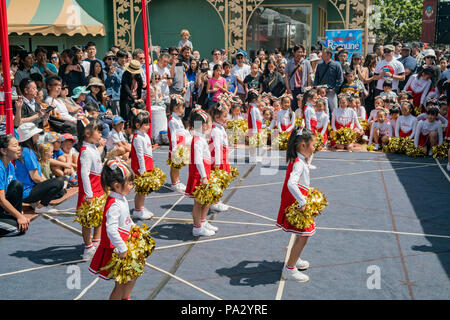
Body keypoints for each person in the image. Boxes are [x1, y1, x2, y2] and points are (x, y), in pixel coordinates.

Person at [89, 158, 138, 300]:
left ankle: (126, 298)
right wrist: (122, 248)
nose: (132, 185)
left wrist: (135, 228)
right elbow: (111, 229)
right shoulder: (114, 204)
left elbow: (126, 220)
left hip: (125, 243)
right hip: (116, 248)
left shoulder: (121, 198)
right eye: (129, 182)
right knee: (121, 282)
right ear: (116, 185)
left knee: (131, 276)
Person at [277, 126, 316, 282]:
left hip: (298, 200)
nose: (314, 148)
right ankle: (290, 269)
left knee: (300, 235)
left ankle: (295, 258)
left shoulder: (298, 159)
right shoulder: (299, 163)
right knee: (303, 236)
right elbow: (292, 184)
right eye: (313, 145)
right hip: (298, 203)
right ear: (303, 146)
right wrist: (302, 200)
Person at [14, 123, 65, 214]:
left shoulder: (27, 150)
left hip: (29, 189)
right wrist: (49, 184)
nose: (38, 135)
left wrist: (48, 184)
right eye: (35, 134)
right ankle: (40, 206)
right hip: (27, 192)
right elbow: (35, 177)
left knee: (60, 191)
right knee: (59, 182)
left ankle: (35, 202)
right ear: (29, 137)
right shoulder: (27, 152)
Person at [184, 108, 216, 237]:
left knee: (206, 200)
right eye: (209, 123)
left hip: (205, 173)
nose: (210, 125)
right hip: (199, 175)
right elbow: (198, 160)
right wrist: (203, 176)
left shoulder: (201, 138)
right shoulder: (197, 140)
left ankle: (203, 221)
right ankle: (197, 227)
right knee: (198, 202)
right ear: (202, 125)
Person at [76, 117, 104, 260]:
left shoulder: (92, 148)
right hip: (91, 191)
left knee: (98, 218)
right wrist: (88, 194)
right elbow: (84, 173)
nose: (100, 134)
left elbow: (97, 164)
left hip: (98, 189)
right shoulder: (86, 151)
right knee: (87, 221)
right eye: (98, 131)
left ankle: (96, 241)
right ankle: (88, 248)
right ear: (87, 133)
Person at [0, 134, 29, 237]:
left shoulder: (10, 166)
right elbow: (1, 199)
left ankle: (10, 219)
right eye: (15, 146)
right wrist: (19, 216)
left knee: (17, 185)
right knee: (17, 229)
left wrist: (20, 215)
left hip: (1, 211)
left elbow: (15, 191)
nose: (19, 148)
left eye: (18, 145)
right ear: (3, 151)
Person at [130, 109, 154, 220]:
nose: (148, 127)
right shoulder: (137, 138)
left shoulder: (145, 135)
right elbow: (140, 155)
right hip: (140, 168)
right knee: (140, 190)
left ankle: (141, 207)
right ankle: (137, 210)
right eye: (145, 124)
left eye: (148, 124)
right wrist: (143, 170)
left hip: (148, 165)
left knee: (144, 190)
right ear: (137, 125)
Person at [209, 104, 231, 213]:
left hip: (223, 158)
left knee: (221, 181)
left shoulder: (220, 127)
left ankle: (217, 200)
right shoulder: (215, 130)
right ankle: (215, 202)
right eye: (225, 116)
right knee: (218, 181)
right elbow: (217, 147)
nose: (227, 119)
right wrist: (217, 162)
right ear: (217, 118)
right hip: (219, 160)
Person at [314, 47, 344, 114]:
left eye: (323, 54)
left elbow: (340, 79)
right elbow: (316, 77)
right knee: (320, 110)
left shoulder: (336, 65)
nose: (322, 55)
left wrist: (335, 89)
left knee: (334, 110)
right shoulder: (319, 65)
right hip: (321, 92)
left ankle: (334, 123)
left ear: (329, 55)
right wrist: (316, 88)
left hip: (331, 92)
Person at [284, 45, 313, 112]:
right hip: (293, 89)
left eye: (301, 52)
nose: (300, 54)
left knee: (303, 107)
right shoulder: (289, 63)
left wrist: (308, 87)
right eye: (298, 52)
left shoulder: (306, 62)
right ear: (294, 52)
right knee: (293, 107)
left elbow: (309, 75)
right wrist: (288, 89)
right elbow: (286, 76)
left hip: (303, 89)